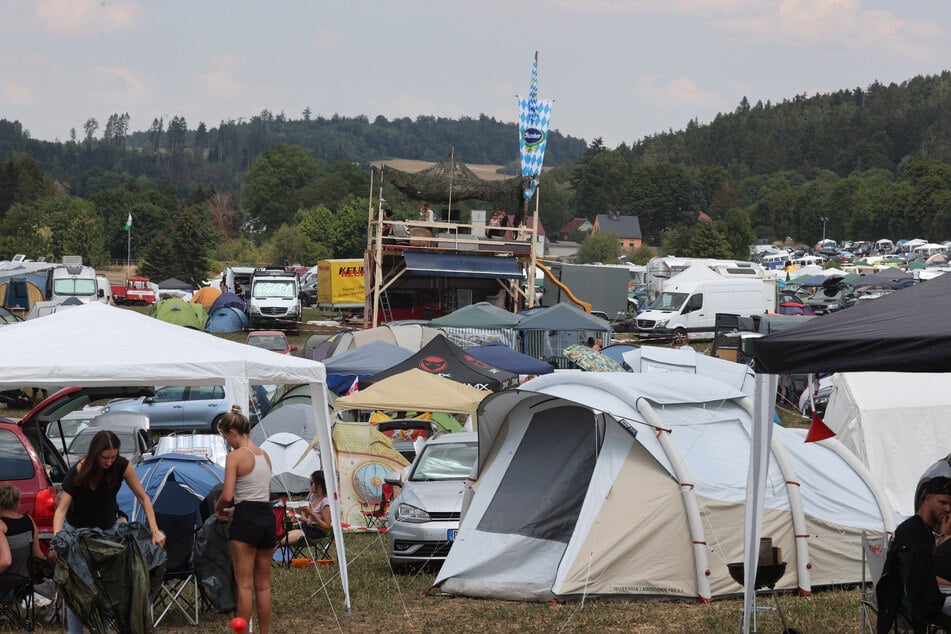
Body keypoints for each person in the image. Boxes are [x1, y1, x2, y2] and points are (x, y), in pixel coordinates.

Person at [53, 429, 165, 634]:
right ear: (95, 454)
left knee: (107, 585)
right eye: (105, 457)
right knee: (79, 586)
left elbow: (143, 498)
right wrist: (58, 538)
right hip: (78, 532)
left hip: (107, 530)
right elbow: (61, 510)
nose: (109, 461)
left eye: (113, 456)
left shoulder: (122, 465)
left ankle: (102, 630)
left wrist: (155, 530)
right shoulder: (78, 470)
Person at [215, 405, 273, 634]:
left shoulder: (235, 457)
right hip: (266, 518)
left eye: (225, 437)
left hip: (246, 521)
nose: (226, 442)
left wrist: (219, 507)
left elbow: (228, 495)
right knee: (263, 585)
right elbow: (262, 495)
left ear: (232, 432)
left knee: (244, 585)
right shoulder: (265, 455)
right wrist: (235, 509)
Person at [881, 476, 951, 626]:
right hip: (920, 607)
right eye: (942, 502)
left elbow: (923, 572)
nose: (948, 509)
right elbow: (929, 578)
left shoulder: (909, 527)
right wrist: (945, 537)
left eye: (950, 504)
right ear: (927, 500)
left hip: (902, 601)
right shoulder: (918, 535)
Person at [0, 482, 47, 563]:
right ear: (18, 502)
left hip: (6, 574)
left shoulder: (2, 525)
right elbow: (38, 554)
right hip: (27, 574)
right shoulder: (29, 520)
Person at [283, 471, 331, 547]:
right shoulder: (313, 496)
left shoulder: (326, 502)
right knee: (279, 539)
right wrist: (307, 520)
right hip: (305, 528)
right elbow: (303, 516)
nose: (310, 485)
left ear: (319, 485)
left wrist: (312, 515)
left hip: (315, 533)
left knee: (281, 541)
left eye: (311, 483)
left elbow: (327, 526)